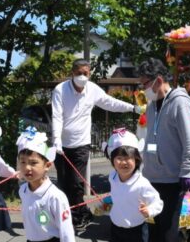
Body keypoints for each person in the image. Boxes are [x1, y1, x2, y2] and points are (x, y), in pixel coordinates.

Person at [52, 59, 140, 231]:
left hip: (81, 144)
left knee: (76, 183)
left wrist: (132, 108)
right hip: (61, 145)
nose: (82, 76)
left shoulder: (92, 90)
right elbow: (57, 116)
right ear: (72, 73)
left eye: (85, 73)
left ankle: (78, 217)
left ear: (89, 73)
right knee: (64, 183)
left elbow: (110, 103)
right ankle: (79, 212)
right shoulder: (60, 90)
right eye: (78, 73)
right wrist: (56, 139)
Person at [137, 58, 190, 242]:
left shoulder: (180, 102)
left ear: (159, 80)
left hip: (173, 174)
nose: (143, 89)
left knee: (169, 222)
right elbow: (150, 137)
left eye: (145, 84)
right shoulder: (153, 105)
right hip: (153, 173)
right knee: (161, 220)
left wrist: (187, 170)